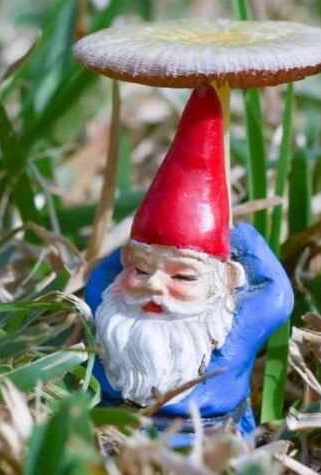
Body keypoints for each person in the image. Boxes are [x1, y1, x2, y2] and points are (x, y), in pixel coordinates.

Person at [84, 85, 293, 445]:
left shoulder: (232, 329)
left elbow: (277, 293)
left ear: (226, 279)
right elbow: (103, 276)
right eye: (141, 271)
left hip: (208, 437)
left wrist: (238, 235)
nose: (154, 286)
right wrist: (133, 256)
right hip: (113, 428)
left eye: (182, 275)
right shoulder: (111, 310)